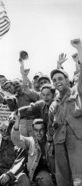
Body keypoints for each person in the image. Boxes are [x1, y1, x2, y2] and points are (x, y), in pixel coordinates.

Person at [48, 38, 82, 186]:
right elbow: (50, 124)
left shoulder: (76, 91)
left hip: (76, 139)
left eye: (60, 78)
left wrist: (79, 49)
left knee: (78, 177)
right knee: (62, 178)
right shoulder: (55, 101)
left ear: (68, 80)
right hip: (59, 141)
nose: (57, 81)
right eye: (54, 80)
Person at [11, 113, 55, 186]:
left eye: (41, 130)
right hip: (32, 176)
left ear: (45, 130)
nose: (39, 133)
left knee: (45, 179)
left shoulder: (52, 142)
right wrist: (17, 121)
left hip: (49, 177)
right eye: (36, 130)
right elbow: (16, 139)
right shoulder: (30, 142)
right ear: (33, 131)